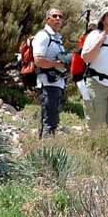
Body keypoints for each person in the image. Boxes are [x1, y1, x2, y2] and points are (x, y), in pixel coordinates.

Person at [81, 8, 108, 129]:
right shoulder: (95, 35)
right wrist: (100, 41)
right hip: (97, 85)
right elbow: (86, 58)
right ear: (103, 19)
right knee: (96, 125)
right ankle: (95, 148)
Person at [32, 8, 68, 137]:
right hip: (47, 83)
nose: (58, 18)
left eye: (60, 16)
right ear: (48, 19)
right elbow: (38, 60)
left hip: (57, 83)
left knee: (53, 119)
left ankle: (46, 148)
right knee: (49, 120)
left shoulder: (58, 38)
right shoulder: (43, 36)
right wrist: (56, 64)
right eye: (54, 16)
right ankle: (46, 150)